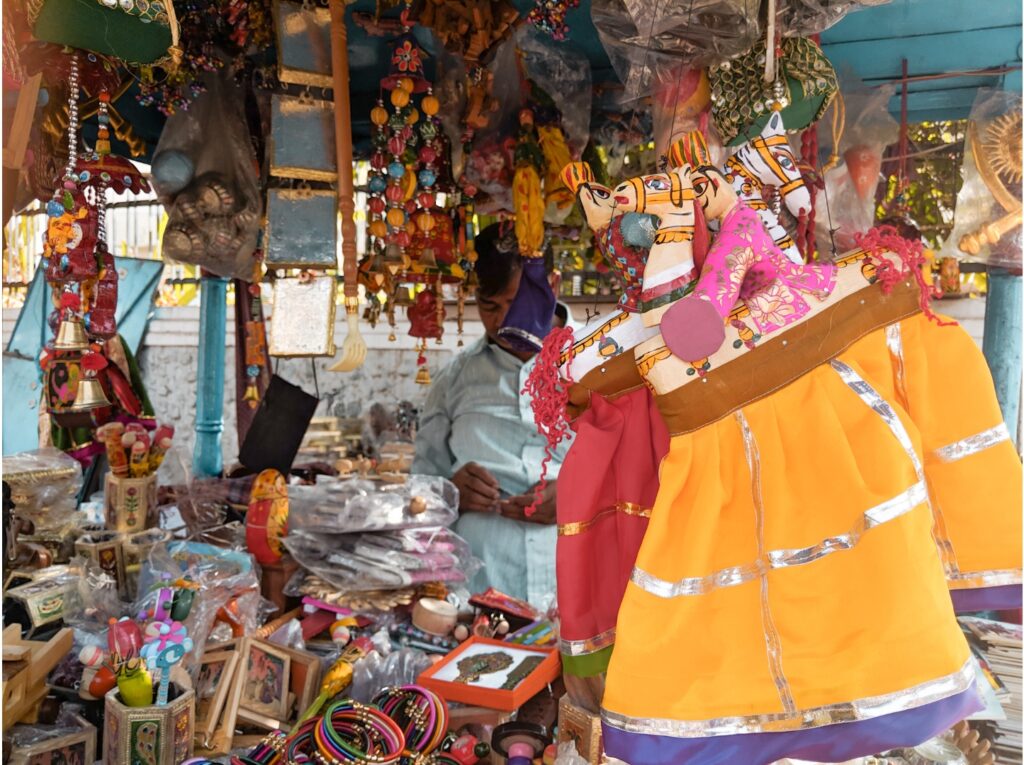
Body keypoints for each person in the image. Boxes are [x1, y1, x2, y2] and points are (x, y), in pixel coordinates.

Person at [412, 223, 571, 608]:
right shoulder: (453, 379)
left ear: (553, 285)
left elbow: (647, 472)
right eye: (489, 306)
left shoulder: (602, 364)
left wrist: (577, 496)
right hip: (480, 590)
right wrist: (449, 493)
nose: (503, 322)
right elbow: (418, 489)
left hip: (579, 583)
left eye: (515, 304)